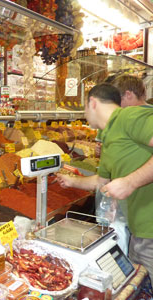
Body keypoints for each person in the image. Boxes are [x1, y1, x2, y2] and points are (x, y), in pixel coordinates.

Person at [57, 83, 153, 282]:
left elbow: (124, 183)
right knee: (136, 287)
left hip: (150, 231)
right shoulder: (109, 137)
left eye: (84, 107)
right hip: (138, 231)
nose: (85, 114)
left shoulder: (129, 117)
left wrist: (130, 182)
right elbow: (101, 182)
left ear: (92, 102)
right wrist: (71, 181)